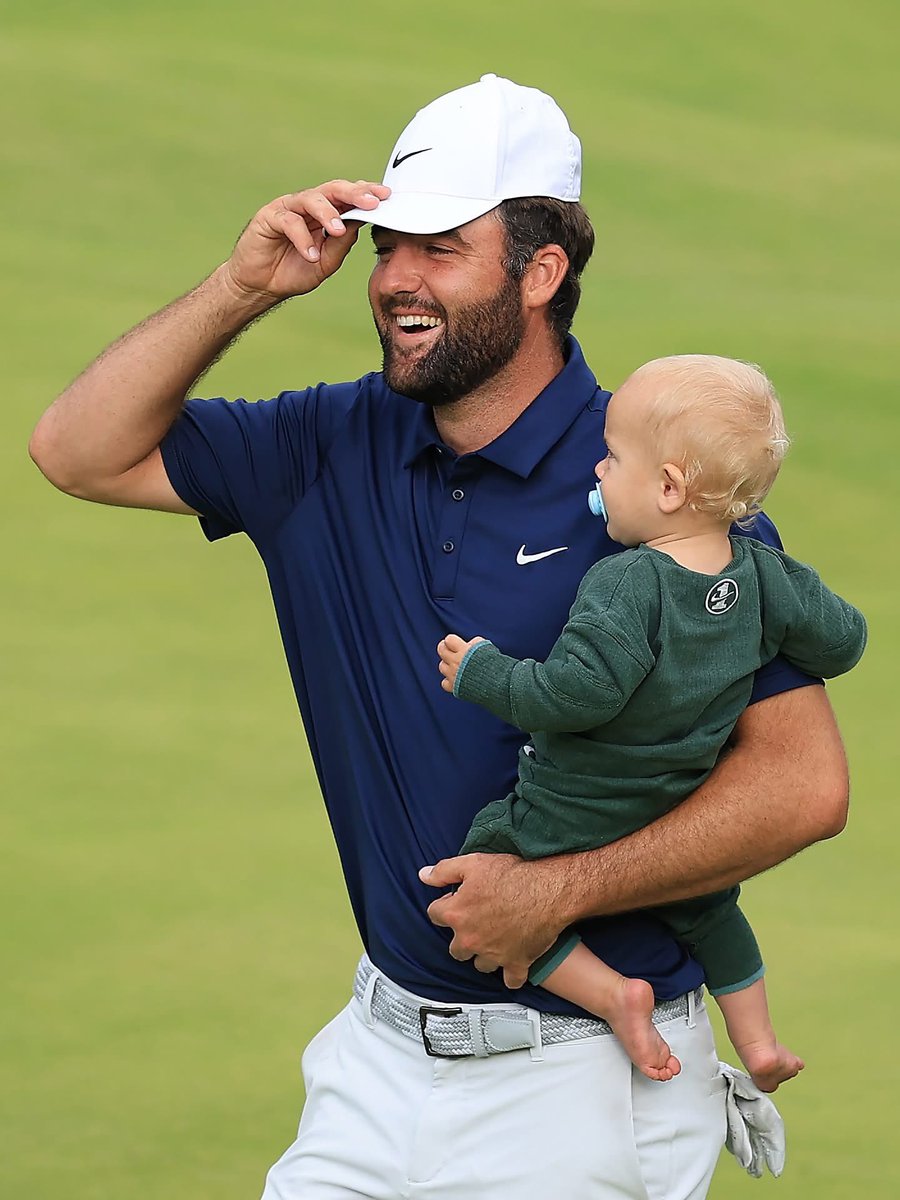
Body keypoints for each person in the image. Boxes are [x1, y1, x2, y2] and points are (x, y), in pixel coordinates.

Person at [29, 74, 851, 1200]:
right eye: (388, 248)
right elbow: (76, 451)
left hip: (586, 1081)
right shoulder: (326, 440)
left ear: (541, 273)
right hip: (375, 1058)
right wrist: (239, 287)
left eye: (440, 248)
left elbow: (803, 786)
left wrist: (565, 889)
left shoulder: (661, 493)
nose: (397, 281)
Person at [437, 353, 866, 1090]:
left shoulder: (627, 581)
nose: (597, 475)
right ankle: (758, 1043)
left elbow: (577, 696)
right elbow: (845, 640)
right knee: (711, 909)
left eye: (610, 458)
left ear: (668, 488)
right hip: (677, 804)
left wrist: (485, 673)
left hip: (579, 809)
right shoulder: (764, 576)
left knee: (476, 878)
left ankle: (612, 994)